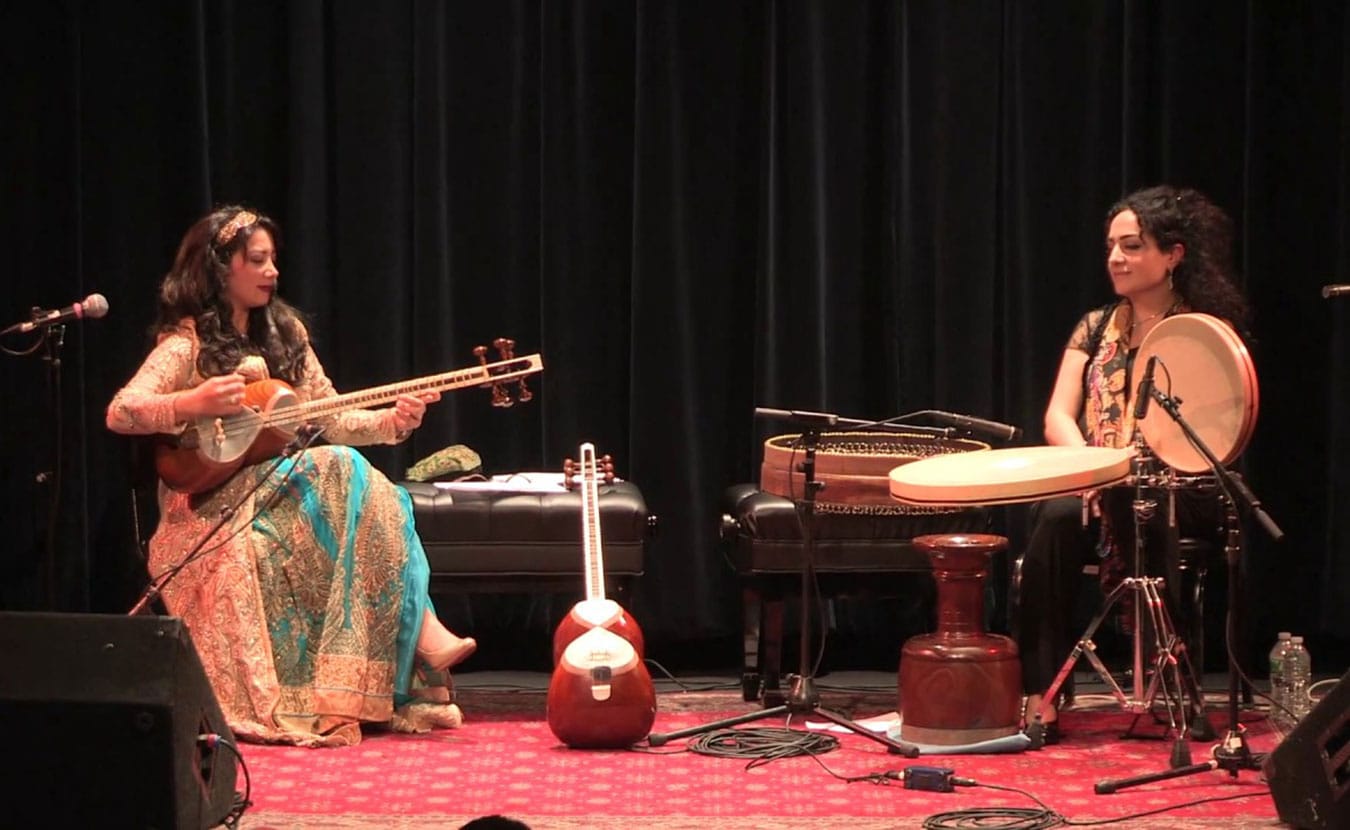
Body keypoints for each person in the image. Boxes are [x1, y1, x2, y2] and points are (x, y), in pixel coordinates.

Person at [107, 205, 477, 746]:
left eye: (273, 259)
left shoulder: (286, 333)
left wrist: (393, 422)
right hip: (208, 502)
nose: (272, 271)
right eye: (256, 260)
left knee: (376, 490)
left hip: (279, 491)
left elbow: (330, 417)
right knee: (339, 469)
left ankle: (397, 647)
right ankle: (421, 631)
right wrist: (193, 398)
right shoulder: (186, 345)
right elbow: (122, 412)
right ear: (218, 270)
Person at [1016, 185, 1252, 742]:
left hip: (1180, 485)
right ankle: (1038, 692)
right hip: (1096, 478)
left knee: (1142, 500)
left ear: (1173, 254)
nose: (1116, 259)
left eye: (1132, 245)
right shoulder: (1094, 327)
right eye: (1110, 247)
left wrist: (1123, 473)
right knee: (1052, 517)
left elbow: (1212, 430)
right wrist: (1090, 470)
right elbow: (1057, 416)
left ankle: (1177, 677)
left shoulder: (1200, 330)